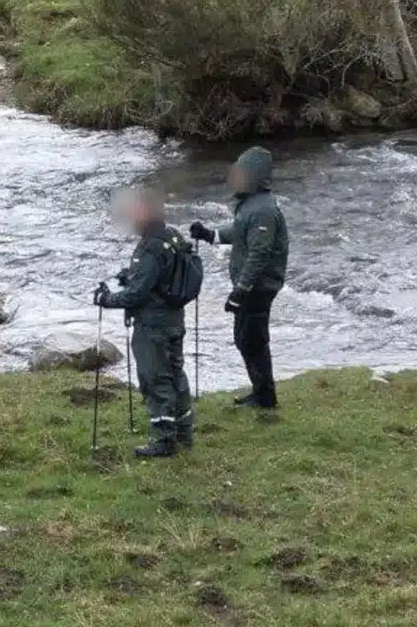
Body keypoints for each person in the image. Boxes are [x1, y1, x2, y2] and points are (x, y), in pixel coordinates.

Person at [95, 188, 194, 458]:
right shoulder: (172, 235)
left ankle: (163, 439)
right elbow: (160, 276)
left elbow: (137, 294)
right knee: (176, 374)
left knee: (155, 378)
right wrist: (131, 275)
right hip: (175, 319)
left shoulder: (150, 246)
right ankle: (184, 431)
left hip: (153, 326)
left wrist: (106, 299)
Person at [189, 146, 288, 410]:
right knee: (246, 339)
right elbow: (239, 231)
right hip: (252, 287)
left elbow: (259, 252)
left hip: (259, 288)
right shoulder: (251, 205)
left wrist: (240, 290)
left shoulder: (263, 209)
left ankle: (266, 398)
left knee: (252, 339)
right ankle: (261, 392)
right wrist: (210, 234)